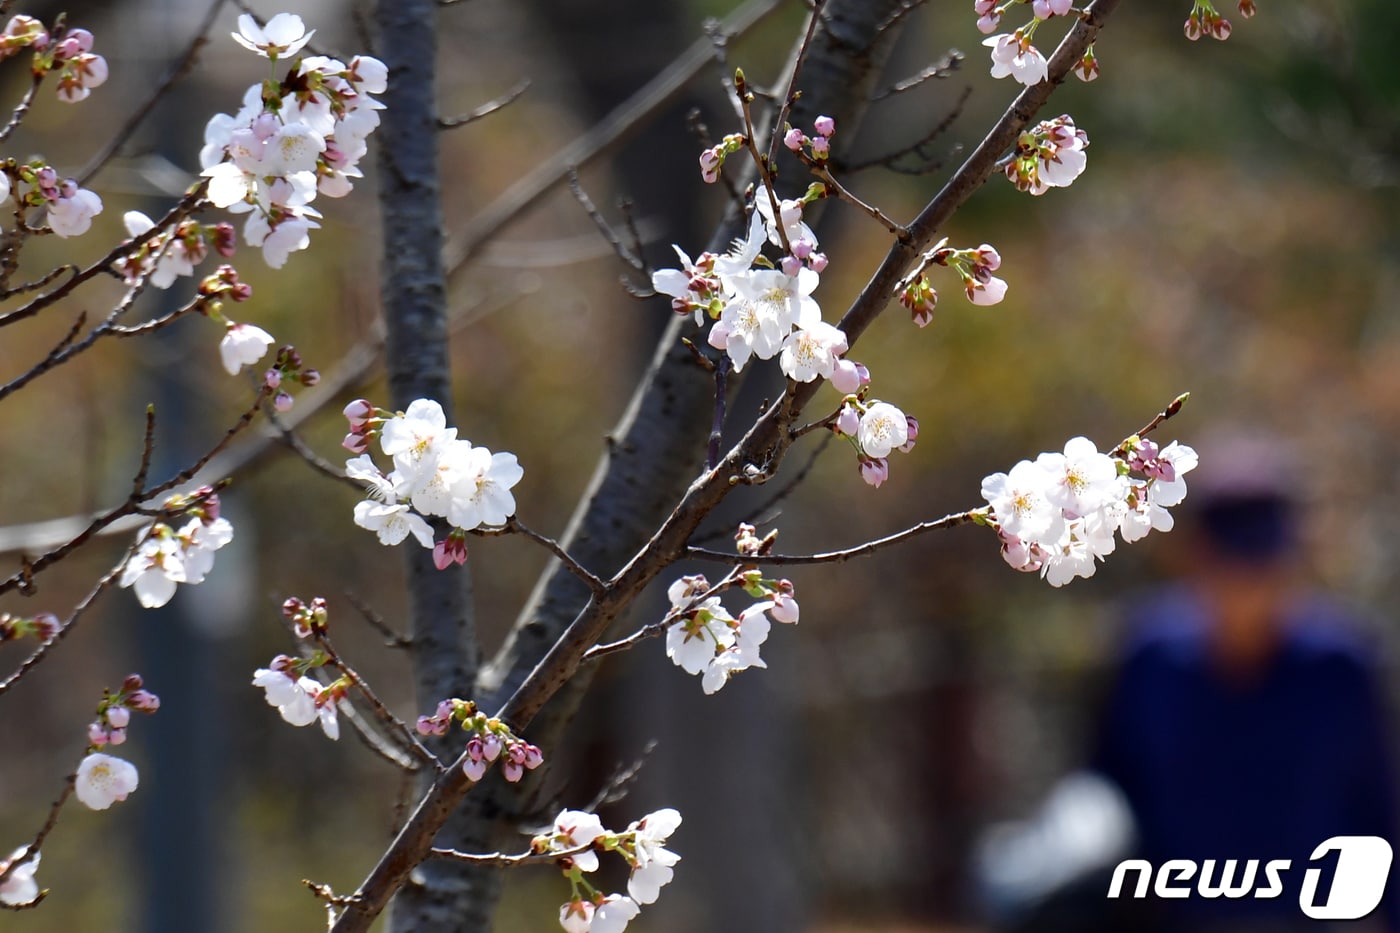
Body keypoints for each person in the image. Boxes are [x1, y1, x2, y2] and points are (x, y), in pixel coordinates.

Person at [1089, 433, 1400, 932]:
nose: (1252, 586)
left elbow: (1380, 811)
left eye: (1266, 563)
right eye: (1237, 565)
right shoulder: (1150, 657)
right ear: (1197, 558)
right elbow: (1108, 792)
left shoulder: (1340, 665)